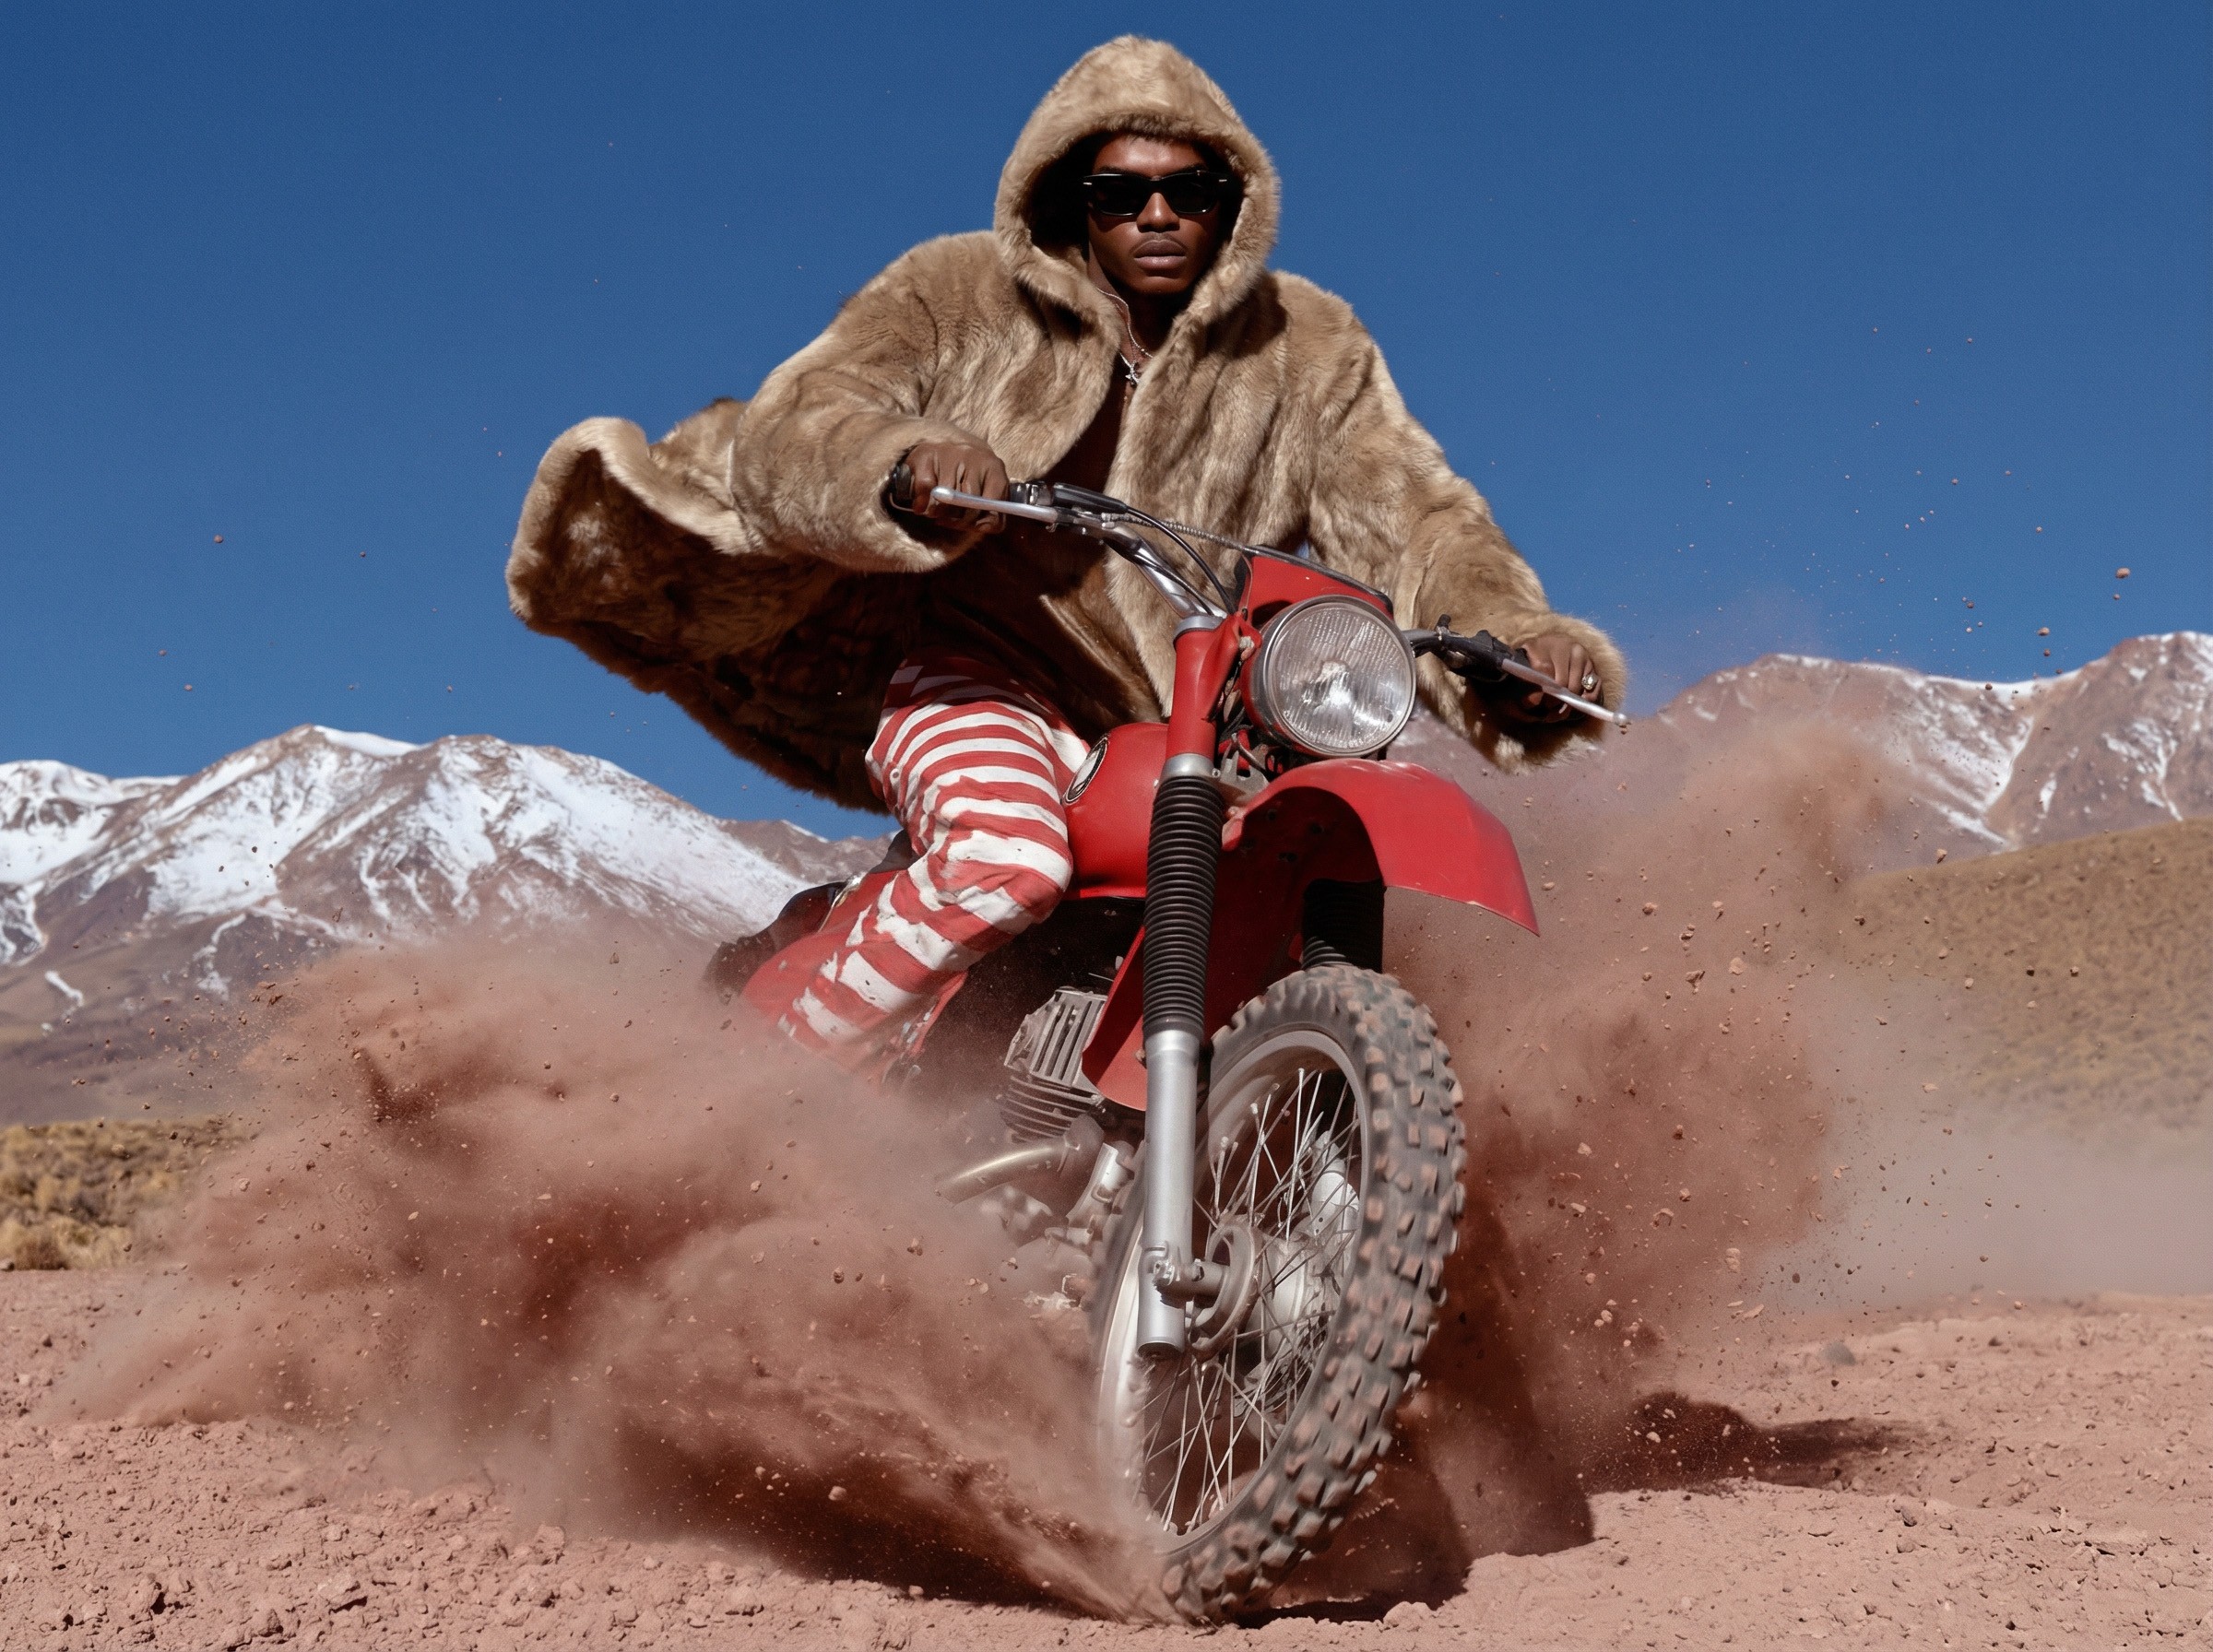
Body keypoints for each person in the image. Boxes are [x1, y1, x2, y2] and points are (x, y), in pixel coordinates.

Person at [507, 37, 1625, 1059]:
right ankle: (758, 1091)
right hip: (987, 678)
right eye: (1120, 191)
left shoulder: (1310, 348)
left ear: (1233, 205)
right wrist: (907, 459)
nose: (1156, 213)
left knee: (1325, 855)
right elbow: (809, 416)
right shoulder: (958, 295)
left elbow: (1419, 518)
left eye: (1190, 190)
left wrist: (1519, 643)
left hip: (1221, 714)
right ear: (1071, 203)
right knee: (1006, 862)